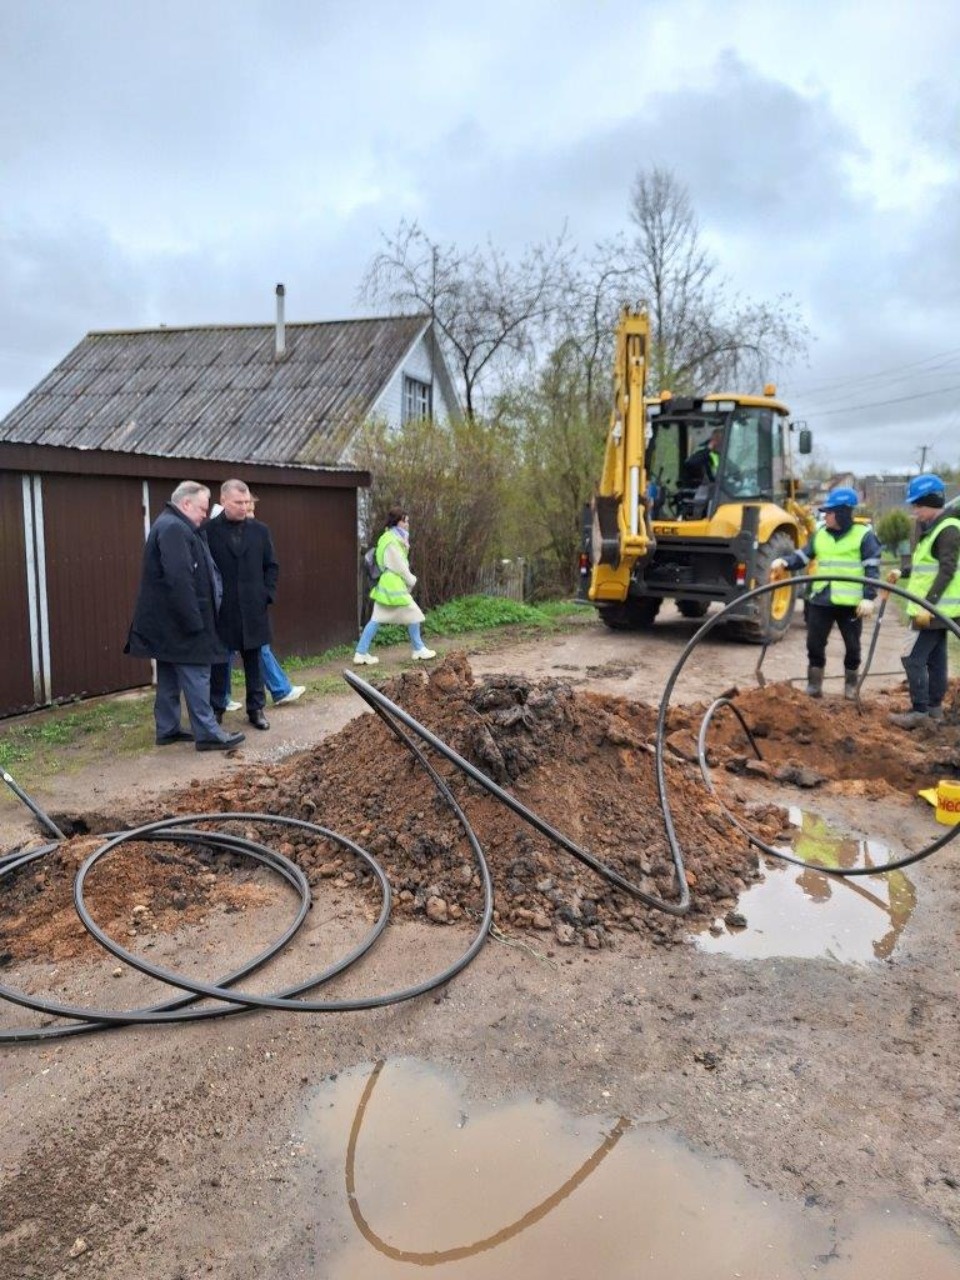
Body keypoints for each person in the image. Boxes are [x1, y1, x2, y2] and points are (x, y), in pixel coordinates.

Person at [124, 481, 245, 752]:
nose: (205, 514)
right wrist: (194, 621)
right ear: (186, 503)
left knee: (169, 673)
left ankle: (167, 728)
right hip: (182, 622)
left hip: (169, 622)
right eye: (202, 508)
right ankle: (208, 733)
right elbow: (179, 579)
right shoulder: (174, 528)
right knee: (198, 673)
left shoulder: (172, 524)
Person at [770, 486, 881, 699]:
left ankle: (851, 686)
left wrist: (868, 598)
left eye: (829, 512)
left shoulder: (864, 536)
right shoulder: (820, 534)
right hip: (821, 600)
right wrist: (785, 562)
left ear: (842, 513)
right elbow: (803, 556)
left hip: (850, 604)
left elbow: (872, 570)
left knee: (853, 647)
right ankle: (814, 685)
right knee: (814, 644)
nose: (825, 516)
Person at [217, 494, 305, 709]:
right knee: (243, 649)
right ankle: (279, 689)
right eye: (248, 511)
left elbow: (269, 565)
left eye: (251, 510)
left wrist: (265, 594)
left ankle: (226, 697)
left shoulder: (252, 532)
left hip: (248, 605)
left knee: (234, 650)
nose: (251, 515)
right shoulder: (218, 532)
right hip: (231, 607)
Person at [887, 474, 960, 730]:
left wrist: (927, 606)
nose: (915, 510)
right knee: (936, 659)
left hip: (933, 609)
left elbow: (947, 570)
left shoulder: (947, 529)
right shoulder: (934, 527)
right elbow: (926, 567)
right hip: (938, 610)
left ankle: (920, 711)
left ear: (931, 501)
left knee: (912, 657)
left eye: (918, 505)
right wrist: (902, 572)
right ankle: (934, 710)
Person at [206, 479, 279, 731]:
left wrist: (266, 595)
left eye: (247, 502)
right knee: (218, 663)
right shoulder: (208, 531)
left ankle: (256, 709)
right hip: (222, 610)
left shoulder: (260, 530)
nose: (244, 507)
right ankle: (216, 709)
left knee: (254, 661)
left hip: (253, 608)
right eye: (238, 502)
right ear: (223, 500)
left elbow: (271, 566)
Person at [353, 508, 436, 665]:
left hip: (387, 585)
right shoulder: (392, 541)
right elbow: (399, 566)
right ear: (397, 522)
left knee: (376, 619)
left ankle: (361, 652)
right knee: (414, 613)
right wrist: (411, 579)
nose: (407, 524)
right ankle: (418, 649)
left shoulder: (389, 538)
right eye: (405, 521)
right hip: (393, 585)